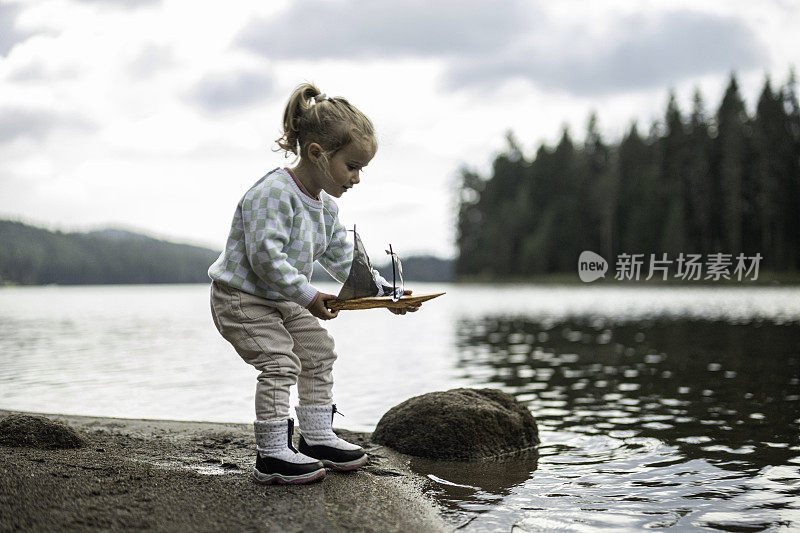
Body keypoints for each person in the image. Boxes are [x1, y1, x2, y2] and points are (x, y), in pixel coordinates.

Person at [208, 83, 419, 485]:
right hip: (241, 298)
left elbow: (344, 259)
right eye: (352, 166)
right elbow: (265, 259)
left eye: (362, 168)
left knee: (318, 351)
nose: (357, 177)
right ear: (318, 153)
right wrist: (308, 295)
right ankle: (271, 454)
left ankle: (317, 437)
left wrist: (383, 294)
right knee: (279, 361)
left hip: (280, 299)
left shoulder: (325, 207)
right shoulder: (272, 194)